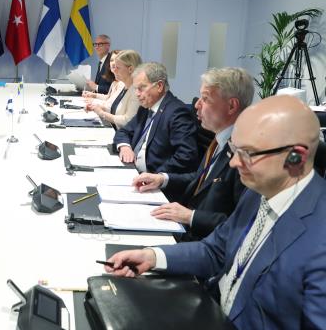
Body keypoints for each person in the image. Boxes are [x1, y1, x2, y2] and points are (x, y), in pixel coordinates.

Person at [104, 95, 326, 329]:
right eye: (234, 150)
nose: (233, 163)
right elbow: (216, 250)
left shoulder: (319, 239)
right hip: (208, 310)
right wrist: (152, 256)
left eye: (248, 154)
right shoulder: (258, 192)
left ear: (296, 158)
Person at [133, 67, 254, 241]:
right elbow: (201, 180)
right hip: (186, 227)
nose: (196, 105)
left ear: (231, 106)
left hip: (205, 242)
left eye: (205, 99)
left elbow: (241, 225)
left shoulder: (244, 154)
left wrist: (191, 216)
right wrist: (162, 179)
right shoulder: (220, 139)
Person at [113, 62, 198, 178]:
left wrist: (156, 176)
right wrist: (125, 147)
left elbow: (185, 156)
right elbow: (124, 131)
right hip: (132, 169)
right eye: (135, 89)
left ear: (159, 86)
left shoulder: (177, 113)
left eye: (141, 88)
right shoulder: (146, 107)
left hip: (152, 178)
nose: (137, 94)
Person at [85, 50, 141, 129]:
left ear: (130, 69)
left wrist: (101, 113)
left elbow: (127, 121)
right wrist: (95, 107)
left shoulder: (137, 93)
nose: (114, 70)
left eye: (118, 67)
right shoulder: (121, 84)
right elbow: (111, 107)